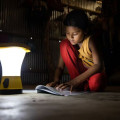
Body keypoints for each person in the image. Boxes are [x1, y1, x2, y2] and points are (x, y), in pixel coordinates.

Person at [46, 9, 107, 92]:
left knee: (96, 82)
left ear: (85, 30)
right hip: (80, 75)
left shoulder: (91, 41)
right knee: (64, 44)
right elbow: (60, 67)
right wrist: (56, 82)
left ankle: (80, 85)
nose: (71, 37)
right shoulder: (70, 43)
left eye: (75, 34)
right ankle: (80, 86)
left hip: (93, 73)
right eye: (67, 33)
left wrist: (74, 82)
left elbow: (98, 65)